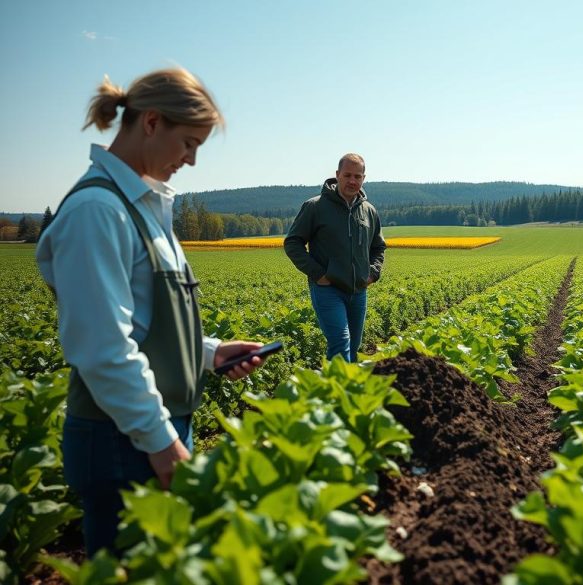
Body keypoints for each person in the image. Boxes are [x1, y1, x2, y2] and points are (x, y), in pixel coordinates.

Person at [35, 68, 267, 557]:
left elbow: (143, 322)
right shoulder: (98, 211)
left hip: (148, 427)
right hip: (123, 438)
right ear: (152, 122)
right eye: (189, 143)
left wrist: (208, 353)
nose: (192, 159)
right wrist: (164, 447)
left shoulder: (140, 205)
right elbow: (104, 349)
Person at [284, 153, 385, 362]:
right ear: (337, 175)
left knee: (354, 347)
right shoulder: (315, 207)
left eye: (357, 176)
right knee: (340, 342)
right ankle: (335, 393)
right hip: (327, 289)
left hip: (358, 291)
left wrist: (373, 274)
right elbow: (292, 243)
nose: (352, 181)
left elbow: (378, 247)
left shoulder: (369, 211)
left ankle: (347, 391)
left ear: (363, 179)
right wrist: (319, 274)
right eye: (347, 175)